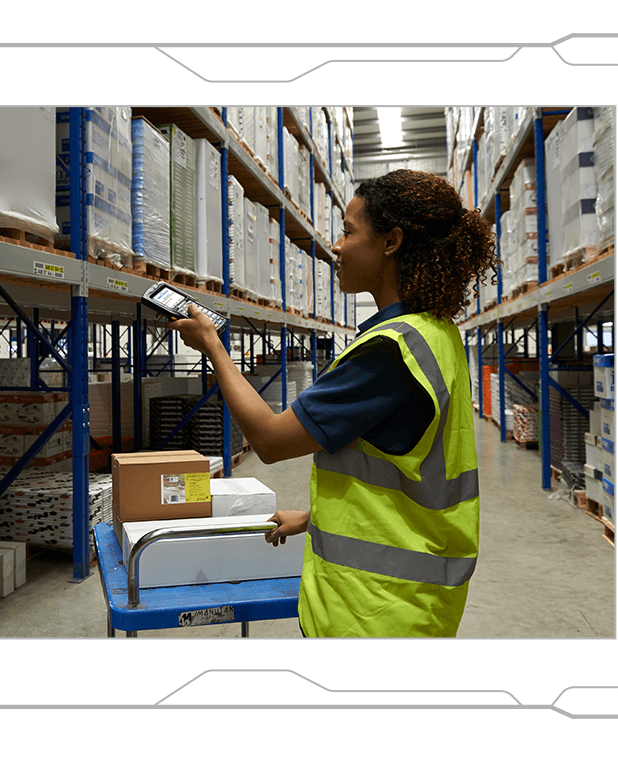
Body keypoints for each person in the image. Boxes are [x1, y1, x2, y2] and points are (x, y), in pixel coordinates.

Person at [168, 169, 500, 637]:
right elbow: (402, 467)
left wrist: (213, 347)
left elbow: (268, 439)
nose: (337, 247)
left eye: (348, 232)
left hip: (371, 612)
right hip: (412, 604)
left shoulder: (390, 353)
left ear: (391, 242)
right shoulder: (435, 332)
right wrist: (313, 519)